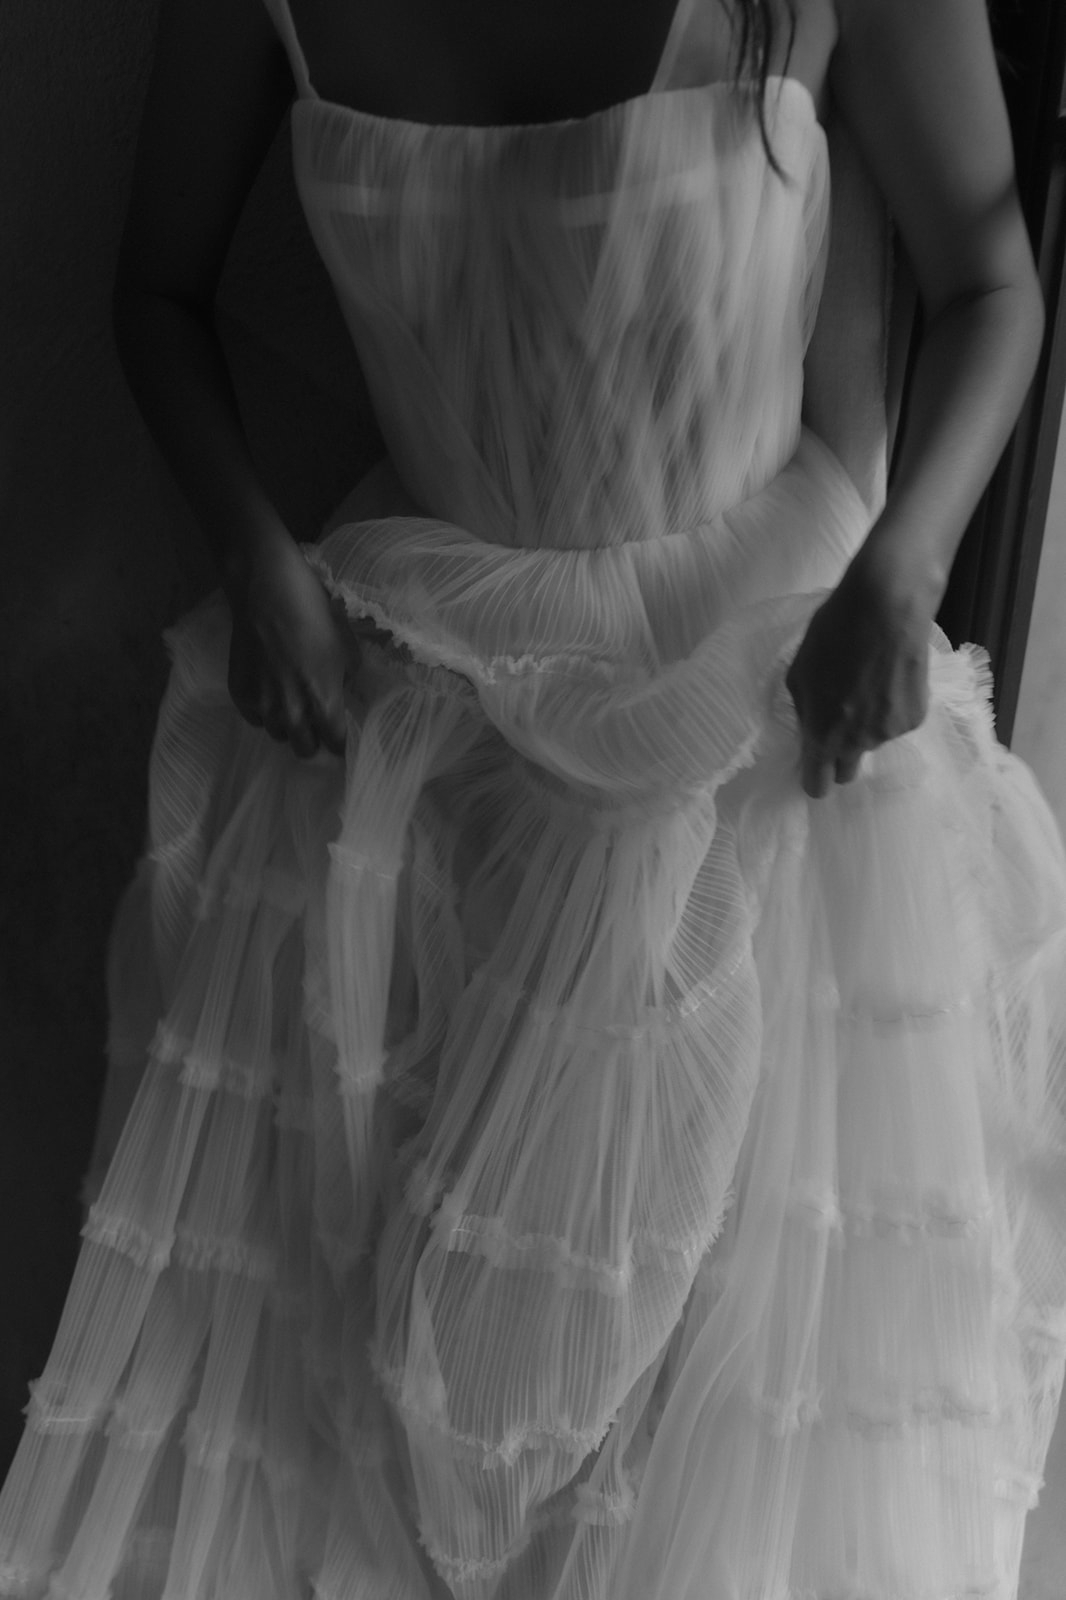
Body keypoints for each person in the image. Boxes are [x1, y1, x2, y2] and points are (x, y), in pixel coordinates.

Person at [3, 0, 1066, 1597]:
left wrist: (904, 568)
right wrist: (252, 551)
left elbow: (989, 275)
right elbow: (157, 291)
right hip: (412, 713)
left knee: (716, 1413)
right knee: (358, 1382)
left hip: (759, 714)